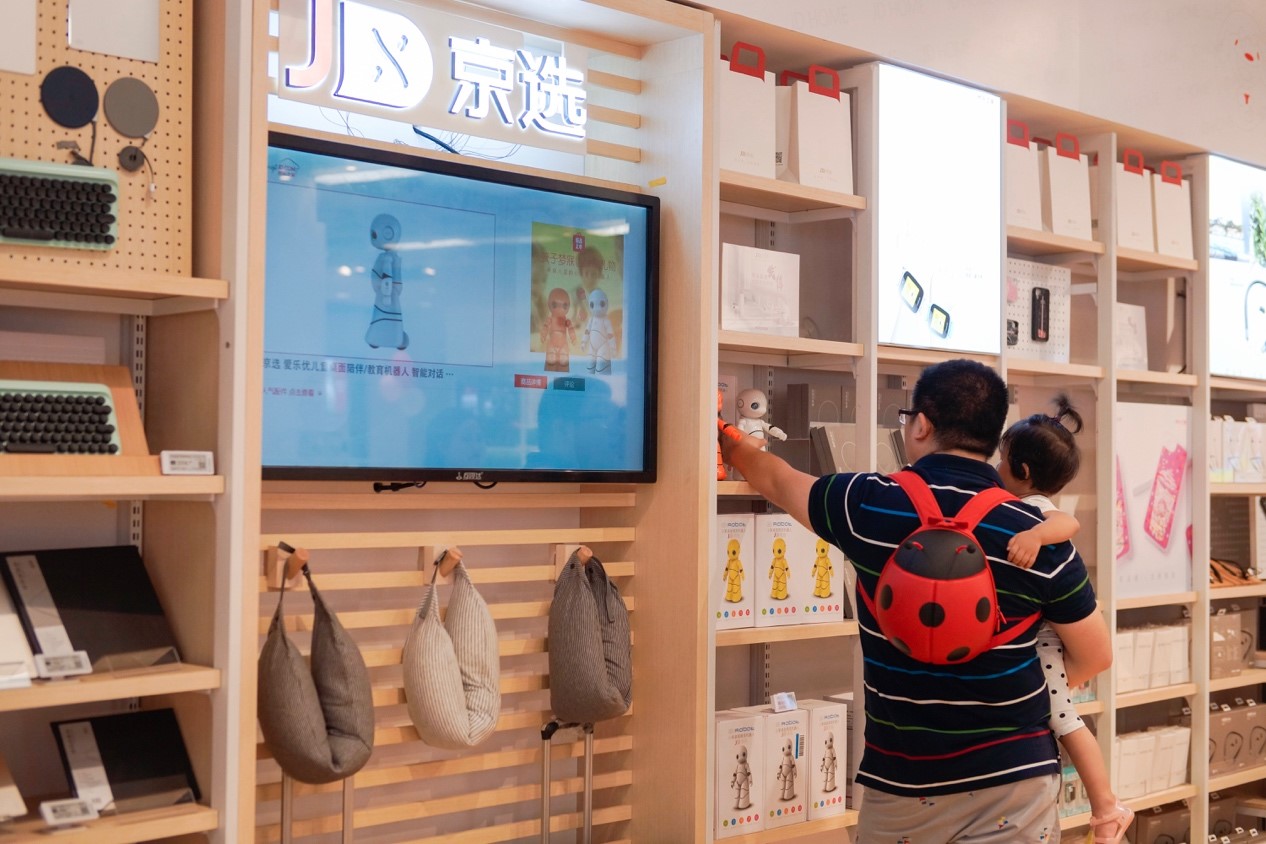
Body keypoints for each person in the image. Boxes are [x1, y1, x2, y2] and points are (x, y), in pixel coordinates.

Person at [719, 359, 1112, 843]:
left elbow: (778, 481)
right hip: (1015, 776)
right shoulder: (1040, 536)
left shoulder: (866, 502)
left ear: (921, 424)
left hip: (903, 780)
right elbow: (1096, 655)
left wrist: (732, 445)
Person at [999, 395, 1133, 844]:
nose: (996, 467)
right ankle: (1107, 807)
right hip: (1042, 636)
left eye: (1002, 459)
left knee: (1064, 717)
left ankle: (1107, 807)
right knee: (1061, 714)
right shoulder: (1022, 504)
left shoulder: (1036, 508)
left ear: (1022, 471)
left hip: (1044, 637)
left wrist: (1036, 536)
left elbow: (1068, 523)